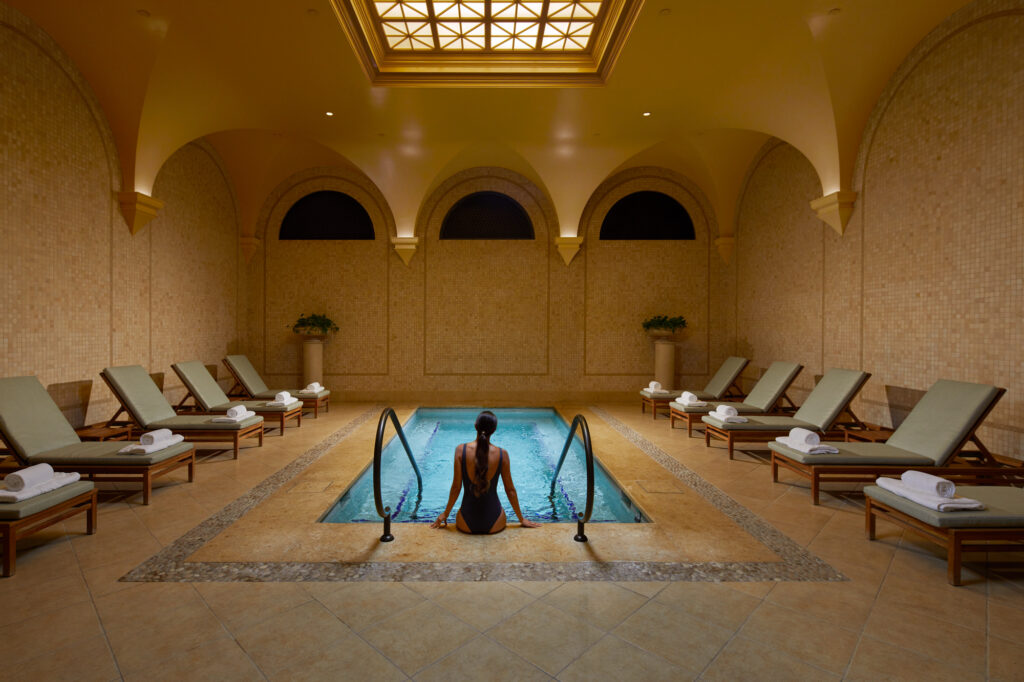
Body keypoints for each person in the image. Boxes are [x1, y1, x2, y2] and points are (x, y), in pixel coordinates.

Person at [431, 410, 541, 533]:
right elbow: (510, 490)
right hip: (495, 523)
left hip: (465, 523)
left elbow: (456, 487)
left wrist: (445, 514)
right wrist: (521, 519)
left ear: (475, 426)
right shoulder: (502, 454)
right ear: (494, 430)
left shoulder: (460, 450)